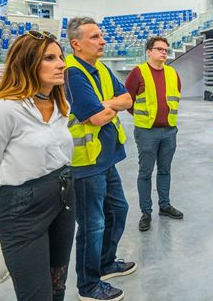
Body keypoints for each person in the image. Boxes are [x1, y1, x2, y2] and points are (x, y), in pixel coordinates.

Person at [0, 30, 75, 300]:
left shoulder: (60, 104)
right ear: (27, 63)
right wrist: (6, 207)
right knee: (36, 294)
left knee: (57, 285)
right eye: (49, 58)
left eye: (61, 57)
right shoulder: (5, 110)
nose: (61, 64)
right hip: (22, 212)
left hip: (63, 199)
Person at [65, 17, 136, 301]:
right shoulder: (72, 73)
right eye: (94, 37)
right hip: (86, 163)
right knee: (92, 225)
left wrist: (106, 104)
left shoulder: (102, 68)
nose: (102, 41)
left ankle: (106, 264)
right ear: (76, 43)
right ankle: (88, 285)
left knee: (118, 211)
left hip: (106, 158)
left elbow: (128, 99)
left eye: (101, 35)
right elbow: (95, 118)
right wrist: (108, 107)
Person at [125, 36, 183, 232]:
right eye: (159, 49)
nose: (164, 52)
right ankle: (146, 212)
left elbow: (176, 95)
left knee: (165, 170)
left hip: (169, 130)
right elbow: (128, 100)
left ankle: (164, 206)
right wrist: (142, 117)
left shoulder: (173, 73)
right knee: (145, 172)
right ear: (149, 51)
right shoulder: (138, 72)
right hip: (146, 132)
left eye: (166, 49)